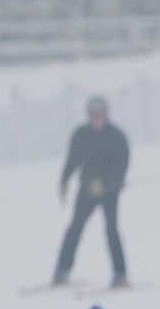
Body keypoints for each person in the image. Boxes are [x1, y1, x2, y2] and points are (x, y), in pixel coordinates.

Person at [54, 95, 130, 288]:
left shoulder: (116, 136)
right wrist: (64, 180)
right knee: (75, 229)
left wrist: (111, 182)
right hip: (86, 190)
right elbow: (73, 159)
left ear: (106, 115)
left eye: (100, 115)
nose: (97, 118)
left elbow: (122, 164)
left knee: (111, 230)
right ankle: (62, 271)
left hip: (109, 192)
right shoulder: (81, 134)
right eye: (93, 115)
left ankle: (120, 274)